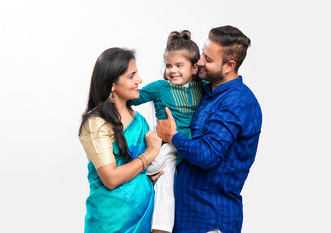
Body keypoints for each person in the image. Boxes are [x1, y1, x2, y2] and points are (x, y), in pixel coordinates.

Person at [156, 25, 263, 233]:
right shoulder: (203, 92)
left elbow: (207, 154)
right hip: (184, 217)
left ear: (229, 65)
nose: (200, 62)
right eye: (203, 54)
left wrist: (172, 136)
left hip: (211, 221)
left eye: (209, 59)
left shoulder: (238, 103)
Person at [78, 47, 163, 233]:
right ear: (112, 84)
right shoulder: (96, 123)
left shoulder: (139, 121)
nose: (139, 80)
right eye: (131, 76)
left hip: (143, 218)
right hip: (110, 223)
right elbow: (111, 178)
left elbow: (145, 169)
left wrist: (150, 176)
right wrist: (149, 155)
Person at [130, 30, 204, 233]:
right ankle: (159, 227)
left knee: (172, 186)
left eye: (179, 65)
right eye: (169, 66)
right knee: (161, 171)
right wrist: (103, 102)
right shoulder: (160, 87)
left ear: (194, 68)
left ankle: (162, 227)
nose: (173, 71)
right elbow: (132, 98)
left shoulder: (202, 87)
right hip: (166, 147)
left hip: (189, 146)